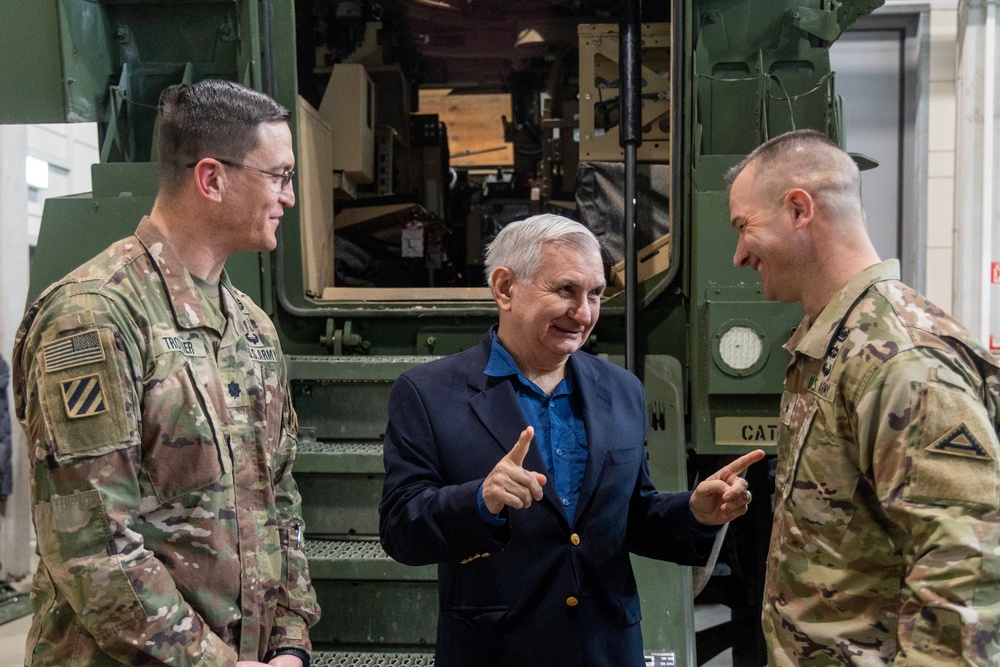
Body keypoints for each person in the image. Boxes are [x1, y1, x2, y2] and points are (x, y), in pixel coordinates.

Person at [11, 79, 319, 666]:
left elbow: (279, 496)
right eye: (278, 176)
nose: (289, 197)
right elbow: (93, 546)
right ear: (212, 178)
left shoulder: (252, 328)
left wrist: (289, 641)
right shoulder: (94, 316)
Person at [379, 213, 764, 666]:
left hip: (607, 651)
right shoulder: (428, 393)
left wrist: (695, 513)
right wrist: (480, 499)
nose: (583, 314)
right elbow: (401, 530)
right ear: (504, 288)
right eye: (565, 290)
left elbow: (634, 515)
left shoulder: (622, 390)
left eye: (595, 294)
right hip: (496, 652)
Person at [728, 129, 1000, 665]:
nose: (738, 255)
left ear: (799, 210)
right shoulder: (836, 339)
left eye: (744, 227)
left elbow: (965, 567)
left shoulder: (900, 358)